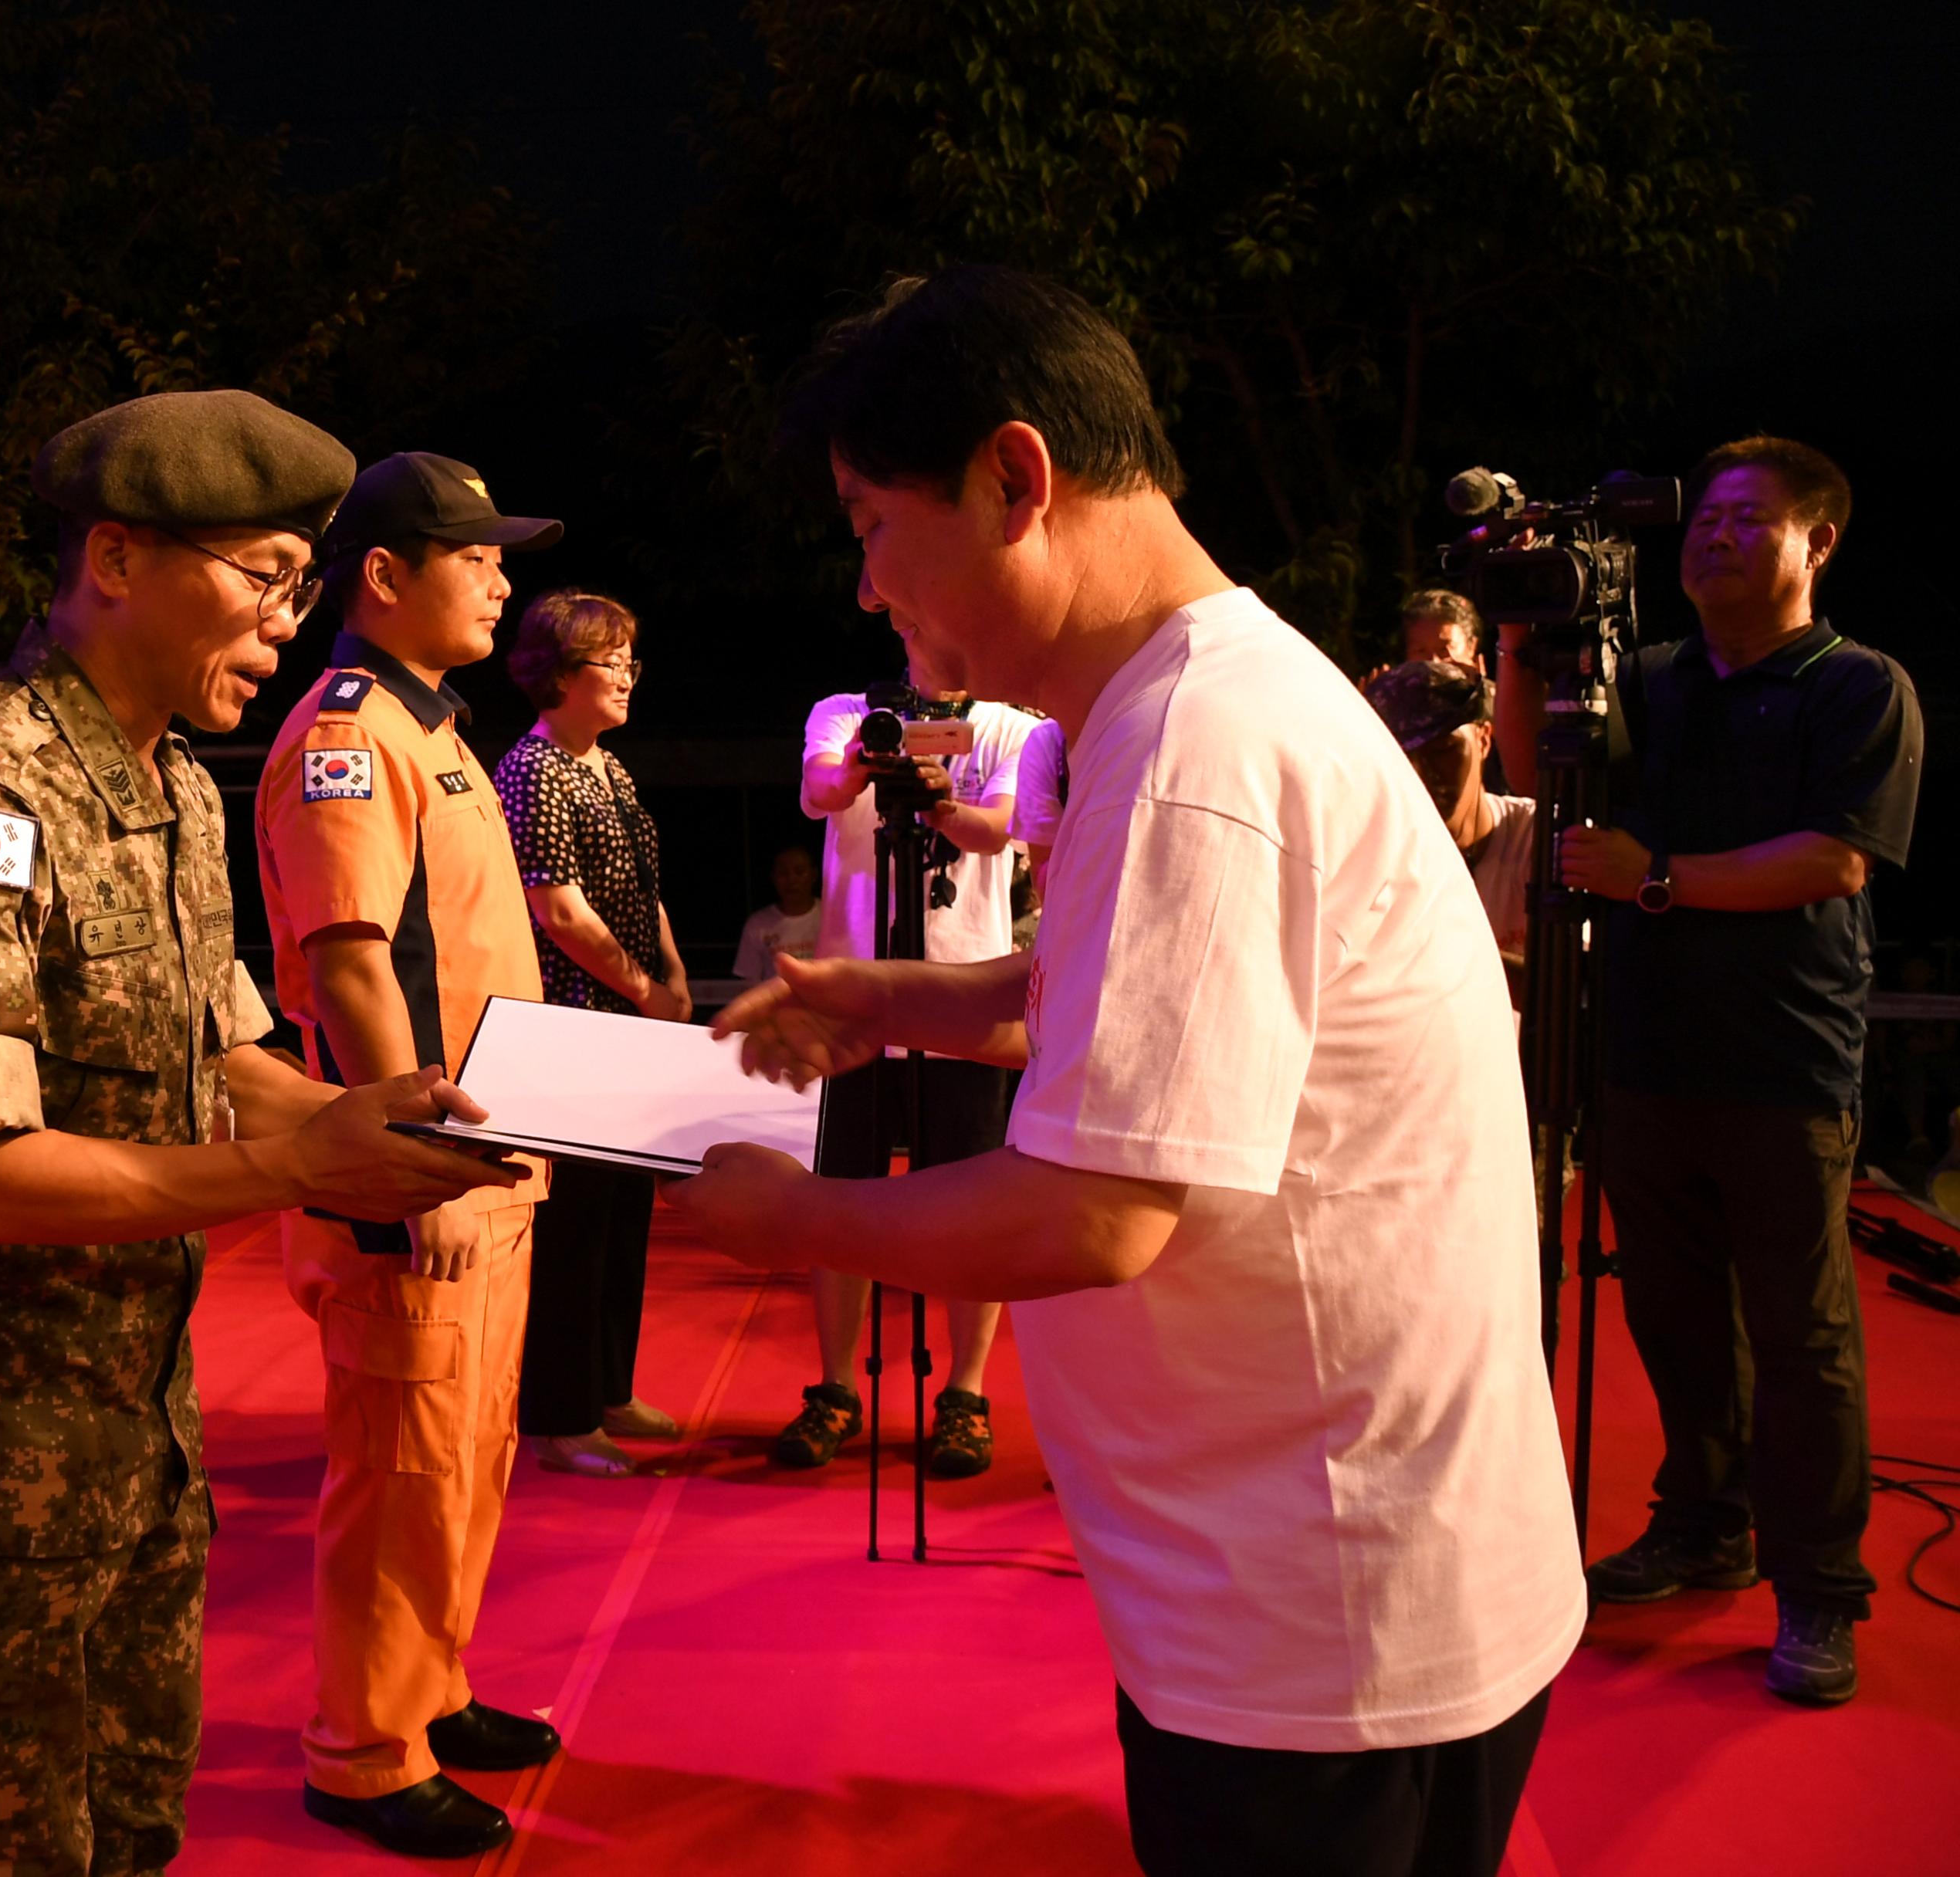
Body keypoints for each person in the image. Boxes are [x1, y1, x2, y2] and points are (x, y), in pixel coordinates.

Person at [674, 266, 1584, 1877]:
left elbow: (1096, 1215)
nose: (871, 588)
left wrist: (791, 1222)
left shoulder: (1189, 750)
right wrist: (896, 997)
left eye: (876, 524)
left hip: (1316, 1617)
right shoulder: (1210, 696)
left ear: (1016, 480)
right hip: (1337, 1567)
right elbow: (1131, 1011)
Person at [0, 391, 518, 1877]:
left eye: (299, 585)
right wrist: (304, 1166)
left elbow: (224, 1052)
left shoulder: (174, 785)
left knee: (132, 1835)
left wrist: (367, 1118)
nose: (283, 621)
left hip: (135, 1443)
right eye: (262, 577)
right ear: (113, 561)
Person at [1497, 435, 1922, 1706]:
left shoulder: (1856, 685)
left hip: (1783, 1059)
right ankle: (1703, 1521)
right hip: (1644, 1049)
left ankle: (1816, 1588)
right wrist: (1526, 637)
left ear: (1816, 541)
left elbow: (1834, 860)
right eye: (1704, 518)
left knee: (1801, 1333)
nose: (1711, 536)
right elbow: (1535, 779)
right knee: (1669, 1312)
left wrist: (1658, 879)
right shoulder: (1656, 677)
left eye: (1745, 519)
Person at [255, 450, 566, 1860]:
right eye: (474, 554)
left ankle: (427, 1691)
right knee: (400, 1466)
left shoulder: (428, 726)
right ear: (383, 577)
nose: (503, 576)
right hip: (415, 1167)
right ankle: (363, 1750)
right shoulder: (348, 730)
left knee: (463, 1451)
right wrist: (410, 1155)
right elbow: (352, 964)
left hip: (484, 1162)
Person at [764, 661, 1040, 1482]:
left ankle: (964, 1391)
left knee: (971, 1206)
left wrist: (939, 801)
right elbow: (819, 791)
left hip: (963, 1004)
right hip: (853, 1003)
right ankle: (837, 1387)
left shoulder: (1008, 727)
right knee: (839, 1197)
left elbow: (999, 828)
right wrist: (861, 768)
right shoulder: (844, 709)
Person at [493, 587, 691, 1478]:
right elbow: (558, 911)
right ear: (561, 674)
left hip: (630, 1019)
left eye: (629, 661)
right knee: (573, 1228)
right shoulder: (532, 770)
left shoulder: (608, 766)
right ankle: (560, 1415)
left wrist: (675, 977)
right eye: (612, 662)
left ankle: (610, 1384)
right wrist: (646, 988)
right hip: (574, 1026)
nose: (626, 678)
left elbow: (644, 887)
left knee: (623, 1215)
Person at [1365, 658, 1535, 968]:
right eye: (1403, 760)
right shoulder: (1372, 858)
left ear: (1484, 741)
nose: (1421, 774)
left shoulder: (1536, 839)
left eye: (1443, 750)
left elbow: (1576, 984)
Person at [734, 845, 824, 985]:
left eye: (799, 872)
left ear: (813, 875)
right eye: (783, 873)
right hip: (778, 1003)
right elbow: (750, 980)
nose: (792, 880)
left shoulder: (830, 917)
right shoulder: (758, 924)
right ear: (774, 878)